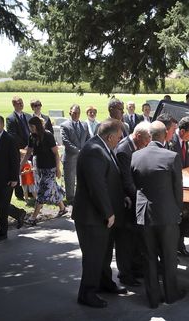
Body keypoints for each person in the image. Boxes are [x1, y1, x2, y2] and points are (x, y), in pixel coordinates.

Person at [72, 118, 127, 308]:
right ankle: (87, 293)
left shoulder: (102, 147)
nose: (121, 140)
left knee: (103, 254)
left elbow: (110, 178)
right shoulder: (94, 151)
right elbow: (97, 186)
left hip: (101, 216)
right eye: (119, 137)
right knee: (93, 257)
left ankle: (104, 283)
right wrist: (108, 212)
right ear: (110, 137)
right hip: (92, 217)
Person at [131, 120, 186, 308]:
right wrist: (178, 210)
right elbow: (178, 189)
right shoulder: (172, 157)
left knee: (149, 256)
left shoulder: (136, 155)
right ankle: (171, 294)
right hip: (167, 214)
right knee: (169, 256)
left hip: (143, 213)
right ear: (164, 136)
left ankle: (153, 298)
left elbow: (135, 183)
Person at [114, 121, 152, 287]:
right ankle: (125, 274)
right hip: (127, 201)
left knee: (136, 238)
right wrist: (142, 198)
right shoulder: (124, 150)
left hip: (136, 198)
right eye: (146, 140)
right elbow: (126, 181)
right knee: (125, 241)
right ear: (137, 136)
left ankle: (136, 268)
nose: (147, 144)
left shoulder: (136, 145)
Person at [20, 117, 67, 226]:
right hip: (40, 168)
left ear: (37, 126)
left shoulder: (48, 135)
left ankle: (33, 218)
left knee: (42, 192)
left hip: (50, 168)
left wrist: (58, 169)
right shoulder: (32, 137)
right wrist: (20, 166)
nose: (30, 129)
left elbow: (56, 153)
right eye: (29, 126)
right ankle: (63, 208)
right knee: (53, 188)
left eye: (32, 126)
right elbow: (28, 153)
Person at [168, 116, 189, 256]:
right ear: (182, 131)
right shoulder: (171, 142)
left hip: (186, 187)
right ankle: (172, 250)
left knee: (182, 218)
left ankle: (180, 246)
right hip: (173, 187)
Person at [0, 115, 26, 243]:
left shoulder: (9, 139)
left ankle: (2, 232)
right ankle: (19, 213)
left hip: (6, 178)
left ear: (3, 125)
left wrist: (14, 178)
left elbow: (15, 160)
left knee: (2, 205)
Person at [60, 104, 90, 205]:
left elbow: (88, 139)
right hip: (70, 158)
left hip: (82, 158)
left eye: (78, 113)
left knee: (82, 178)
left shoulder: (84, 125)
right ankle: (71, 199)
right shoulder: (64, 125)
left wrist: (85, 151)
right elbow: (66, 142)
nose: (76, 115)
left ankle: (81, 196)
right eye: (74, 113)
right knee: (70, 180)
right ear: (70, 113)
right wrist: (79, 151)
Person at [6, 96, 31, 200]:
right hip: (19, 149)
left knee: (29, 169)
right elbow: (12, 135)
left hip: (30, 147)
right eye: (18, 103)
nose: (21, 104)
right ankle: (19, 193)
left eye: (22, 102)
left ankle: (29, 191)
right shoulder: (10, 118)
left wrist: (30, 144)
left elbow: (31, 131)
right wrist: (24, 146)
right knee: (19, 169)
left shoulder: (28, 116)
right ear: (14, 105)